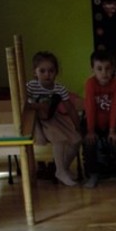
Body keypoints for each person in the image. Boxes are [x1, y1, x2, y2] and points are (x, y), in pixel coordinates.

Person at [25, 50, 82, 186]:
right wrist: (39, 107)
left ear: (56, 72)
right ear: (35, 72)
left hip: (53, 117)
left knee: (77, 139)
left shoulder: (59, 88)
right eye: (42, 71)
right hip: (37, 119)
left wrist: (78, 126)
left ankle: (62, 168)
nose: (47, 74)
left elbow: (70, 109)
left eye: (51, 71)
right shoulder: (31, 86)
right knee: (58, 139)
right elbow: (24, 105)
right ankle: (60, 171)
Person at [82, 50, 116, 188]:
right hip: (93, 122)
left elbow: (115, 108)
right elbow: (90, 107)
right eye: (99, 69)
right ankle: (93, 174)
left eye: (108, 68)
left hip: (111, 122)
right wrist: (90, 130)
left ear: (113, 69)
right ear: (93, 70)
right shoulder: (90, 83)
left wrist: (112, 130)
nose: (104, 73)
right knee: (89, 143)